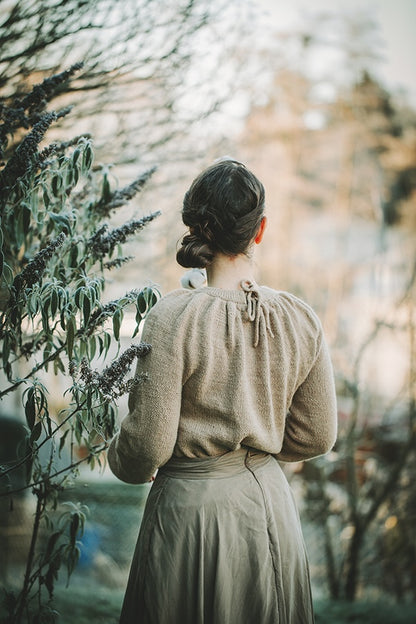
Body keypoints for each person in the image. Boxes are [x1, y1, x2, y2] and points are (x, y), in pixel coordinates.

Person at [108, 159, 337, 624]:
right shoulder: (299, 317)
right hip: (271, 512)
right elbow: (318, 435)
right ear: (261, 230)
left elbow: (147, 445)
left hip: (192, 519)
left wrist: (123, 456)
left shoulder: (172, 317)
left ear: (197, 228)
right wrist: (255, 448)